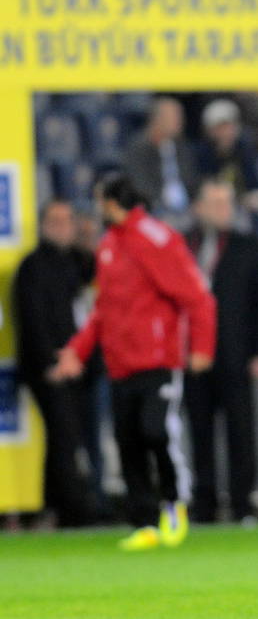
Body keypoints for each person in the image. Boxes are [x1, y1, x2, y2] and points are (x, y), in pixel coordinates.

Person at [48, 175, 216, 550]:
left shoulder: (157, 239)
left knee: (157, 431)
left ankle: (174, 502)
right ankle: (144, 522)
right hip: (120, 362)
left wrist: (201, 347)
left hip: (159, 359)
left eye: (99, 201)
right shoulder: (109, 245)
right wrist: (77, 350)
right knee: (128, 442)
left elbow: (197, 296)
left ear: (111, 203)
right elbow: (102, 311)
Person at [184, 180, 258, 524]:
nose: (223, 210)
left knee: (241, 431)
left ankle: (242, 504)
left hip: (236, 355)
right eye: (215, 203)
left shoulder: (248, 246)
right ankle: (204, 504)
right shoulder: (182, 246)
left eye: (227, 203)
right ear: (198, 207)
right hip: (194, 357)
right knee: (199, 432)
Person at [13, 201, 99, 527]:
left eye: (68, 221)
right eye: (56, 221)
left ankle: (52, 505)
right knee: (64, 435)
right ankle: (72, 511)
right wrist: (50, 362)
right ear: (43, 225)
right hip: (49, 368)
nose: (63, 227)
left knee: (67, 436)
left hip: (79, 366)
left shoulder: (75, 261)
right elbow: (33, 321)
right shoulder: (33, 266)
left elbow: (96, 278)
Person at [123, 96, 199, 222]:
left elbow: (191, 179)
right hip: (157, 209)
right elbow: (140, 186)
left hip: (187, 209)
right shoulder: (138, 149)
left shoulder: (181, 147)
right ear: (157, 119)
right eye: (174, 117)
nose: (180, 122)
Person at [195, 98, 258, 211]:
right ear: (210, 130)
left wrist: (252, 197)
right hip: (218, 203)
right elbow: (204, 184)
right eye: (221, 127)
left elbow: (256, 184)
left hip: (245, 203)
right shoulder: (203, 153)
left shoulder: (245, 149)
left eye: (229, 126)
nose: (226, 132)